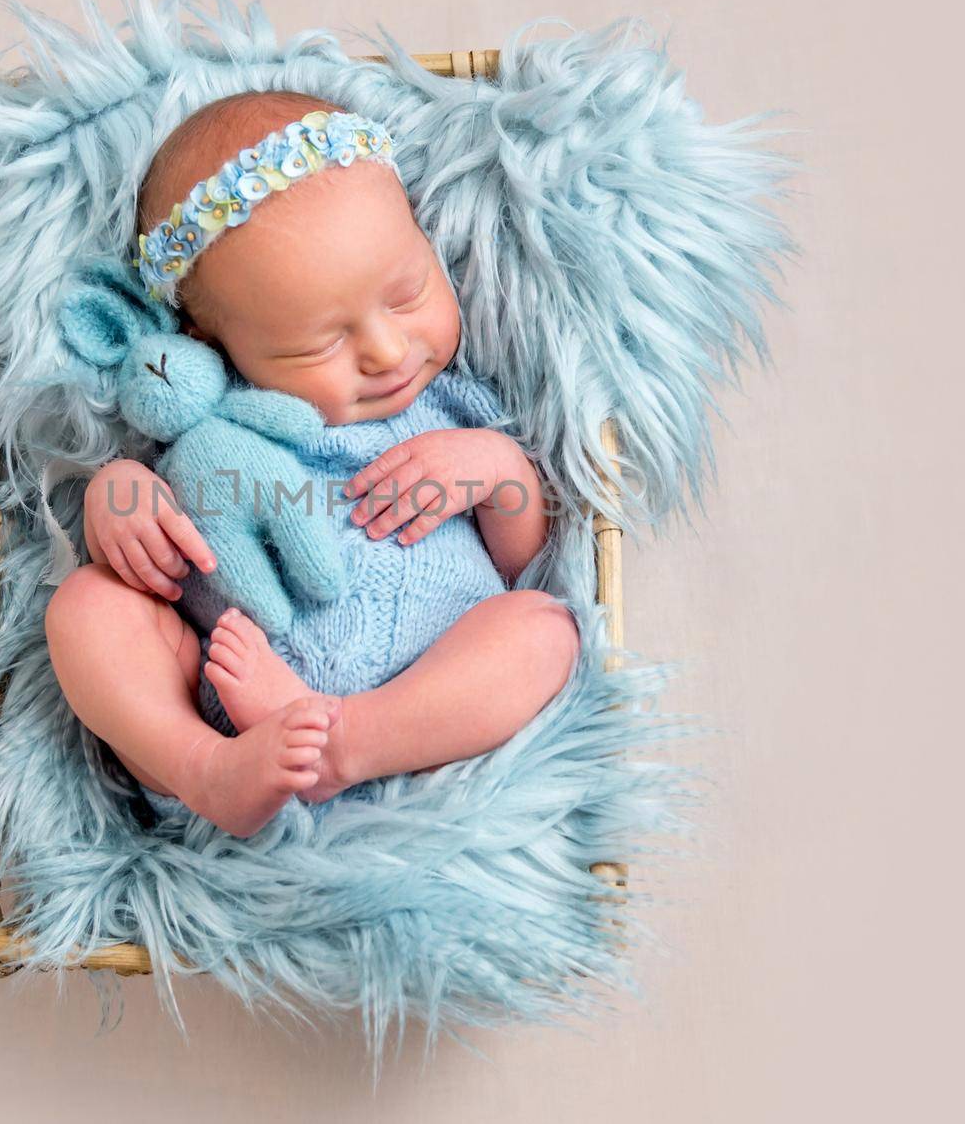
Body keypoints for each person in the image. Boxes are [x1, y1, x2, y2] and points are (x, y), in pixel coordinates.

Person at [45, 91, 580, 837]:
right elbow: (154, 558)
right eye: (318, 344)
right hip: (239, 710)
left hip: (427, 700)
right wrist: (119, 495)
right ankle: (205, 769)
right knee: (87, 606)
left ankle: (349, 741)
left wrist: (498, 471)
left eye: (407, 293)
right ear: (211, 338)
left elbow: (526, 560)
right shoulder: (211, 415)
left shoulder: (455, 408)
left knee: (543, 625)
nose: (388, 352)